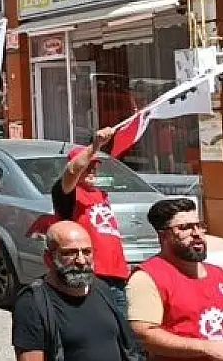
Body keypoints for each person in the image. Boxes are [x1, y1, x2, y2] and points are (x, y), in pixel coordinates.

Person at [12, 221, 134, 361]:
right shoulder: (32, 303)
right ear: (48, 258)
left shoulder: (101, 288)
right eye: (69, 253)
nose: (81, 261)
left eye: (87, 252)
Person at [129, 197, 223, 360]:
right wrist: (206, 347)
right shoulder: (147, 277)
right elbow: (143, 335)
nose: (196, 234)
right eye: (185, 228)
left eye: (199, 226)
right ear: (163, 236)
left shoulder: (218, 273)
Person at [53, 127, 130, 315]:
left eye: (96, 164)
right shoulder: (68, 193)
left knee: (122, 333)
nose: (93, 167)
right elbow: (72, 170)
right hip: (91, 274)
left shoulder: (100, 195)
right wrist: (95, 145)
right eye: (89, 163)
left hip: (117, 275)